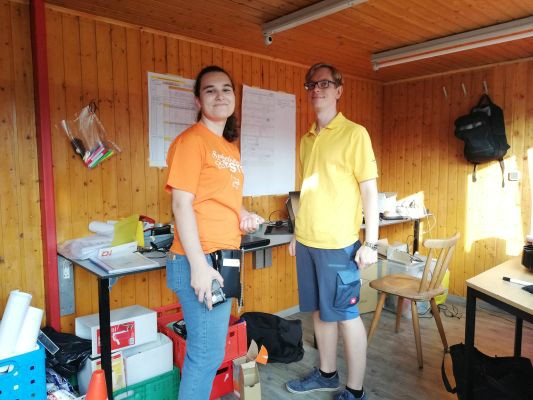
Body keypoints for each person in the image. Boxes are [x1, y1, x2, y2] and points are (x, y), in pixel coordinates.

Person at [165, 65, 264, 400]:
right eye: (210, 90)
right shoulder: (191, 141)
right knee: (205, 355)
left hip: (223, 257)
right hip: (201, 259)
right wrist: (199, 266)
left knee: (208, 351)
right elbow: (181, 204)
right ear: (198, 100)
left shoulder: (228, 149)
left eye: (226, 89)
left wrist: (244, 214)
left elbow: (224, 199)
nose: (220, 95)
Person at [285, 63, 379, 400]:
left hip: (339, 246)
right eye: (311, 84)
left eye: (324, 83)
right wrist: (297, 232)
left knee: (346, 316)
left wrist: (371, 242)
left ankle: (355, 391)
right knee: (318, 311)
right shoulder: (306, 140)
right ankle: (326, 374)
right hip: (307, 242)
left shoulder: (355, 134)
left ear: (339, 90)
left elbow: (369, 191)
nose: (317, 89)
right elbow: (307, 191)